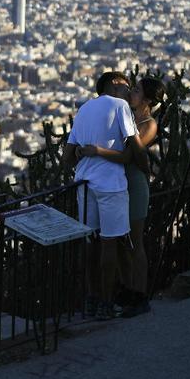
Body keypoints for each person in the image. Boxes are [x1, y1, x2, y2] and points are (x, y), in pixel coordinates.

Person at [78, 75, 165, 317]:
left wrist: (97, 151)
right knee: (120, 244)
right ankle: (127, 293)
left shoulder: (148, 125)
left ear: (146, 99)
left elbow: (128, 156)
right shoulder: (123, 113)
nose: (131, 92)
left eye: (136, 90)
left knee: (135, 243)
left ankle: (140, 297)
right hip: (116, 184)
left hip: (133, 185)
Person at [60, 70, 141, 320]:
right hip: (110, 184)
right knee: (110, 243)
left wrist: (83, 157)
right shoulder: (119, 106)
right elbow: (134, 146)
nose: (130, 92)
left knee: (91, 244)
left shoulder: (84, 110)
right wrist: (146, 168)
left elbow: (66, 159)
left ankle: (92, 298)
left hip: (84, 184)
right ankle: (108, 302)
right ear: (115, 84)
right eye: (127, 87)